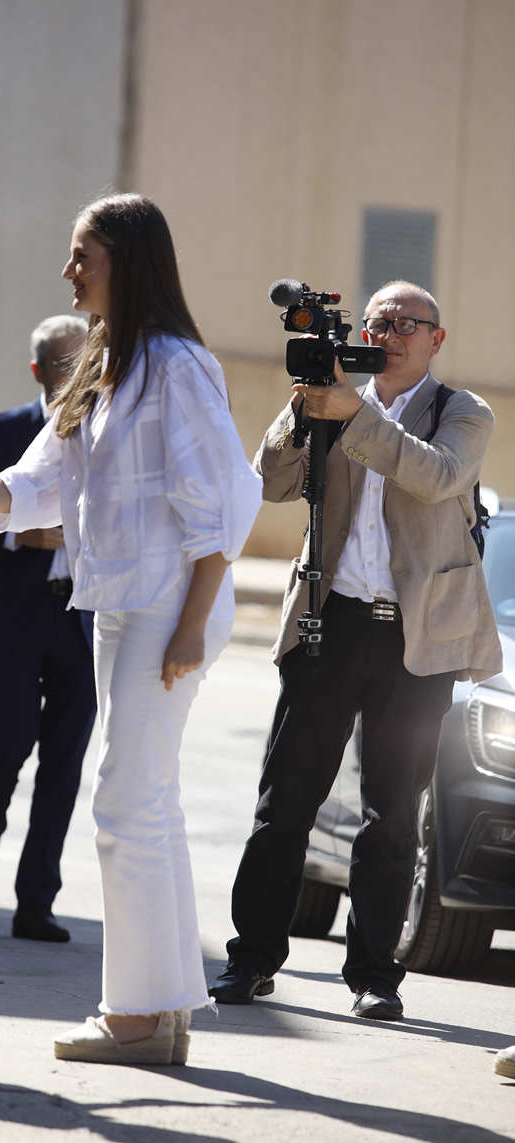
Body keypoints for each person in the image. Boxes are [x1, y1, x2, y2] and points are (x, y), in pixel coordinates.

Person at [0, 193, 262, 1065]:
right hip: (122, 607)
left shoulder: (177, 364)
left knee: (122, 802)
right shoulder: (108, 361)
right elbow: (36, 482)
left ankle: (134, 1017)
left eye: (83, 257)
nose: (69, 274)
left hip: (167, 608)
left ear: (128, 262)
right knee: (150, 803)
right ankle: (167, 1010)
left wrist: (189, 624)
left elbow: (224, 502)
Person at [209, 280, 502, 1021]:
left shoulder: (462, 412)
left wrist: (356, 414)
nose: (392, 332)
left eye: (409, 322)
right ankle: (251, 960)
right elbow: (272, 483)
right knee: (285, 804)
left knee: (392, 813)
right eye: (378, 321)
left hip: (417, 636)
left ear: (437, 338)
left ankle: (375, 973)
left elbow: (437, 476)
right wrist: (303, 407)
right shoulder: (331, 395)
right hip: (328, 624)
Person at [0, 314, 96, 943]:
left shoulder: (108, 431)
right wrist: (18, 535)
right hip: (15, 616)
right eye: (63, 365)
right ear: (38, 370)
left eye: (83, 361)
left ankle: (36, 901)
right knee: (6, 746)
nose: (76, 375)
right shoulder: (7, 429)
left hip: (83, 623)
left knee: (63, 766)